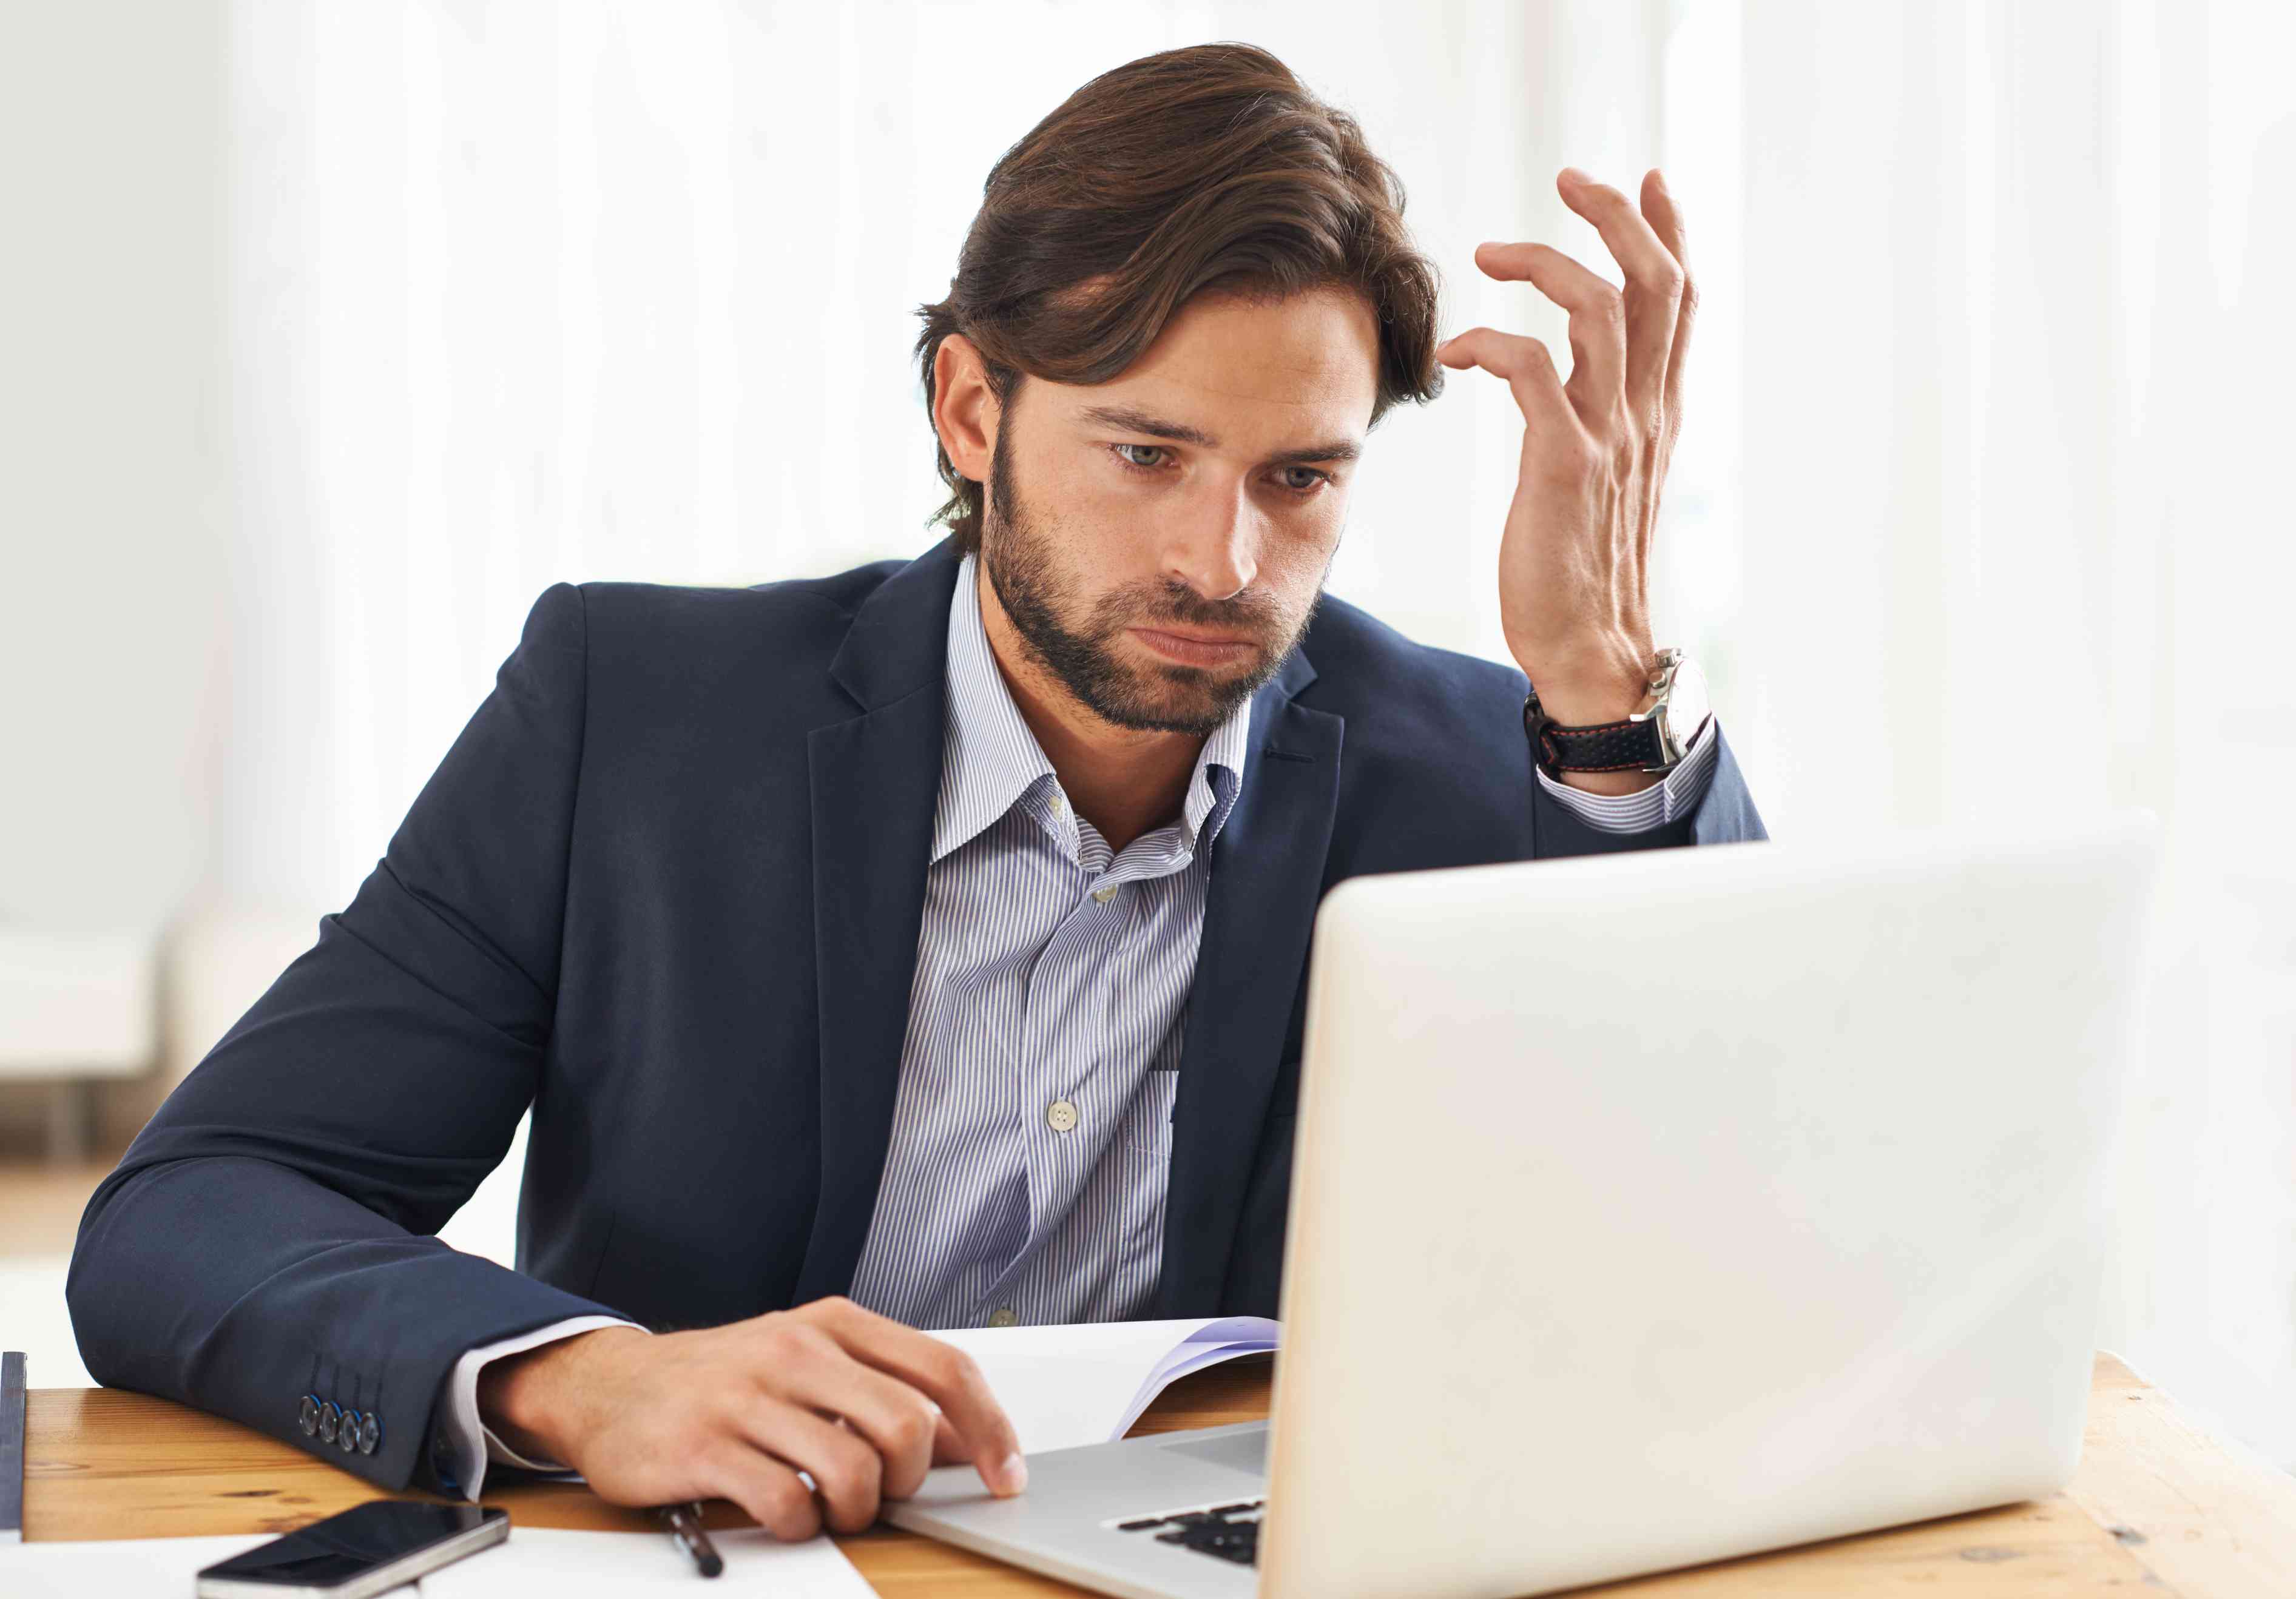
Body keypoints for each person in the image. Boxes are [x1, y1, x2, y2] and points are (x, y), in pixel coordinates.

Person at [67, 41, 1763, 1542]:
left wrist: (1606, 680)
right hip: (734, 1562)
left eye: (1299, 478)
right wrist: (585, 1379)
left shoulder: (1495, 762)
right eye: (1146, 453)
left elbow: (1750, 1227)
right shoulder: (630, 718)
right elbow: (187, 1213)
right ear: (970, 407)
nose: (1223, 559)